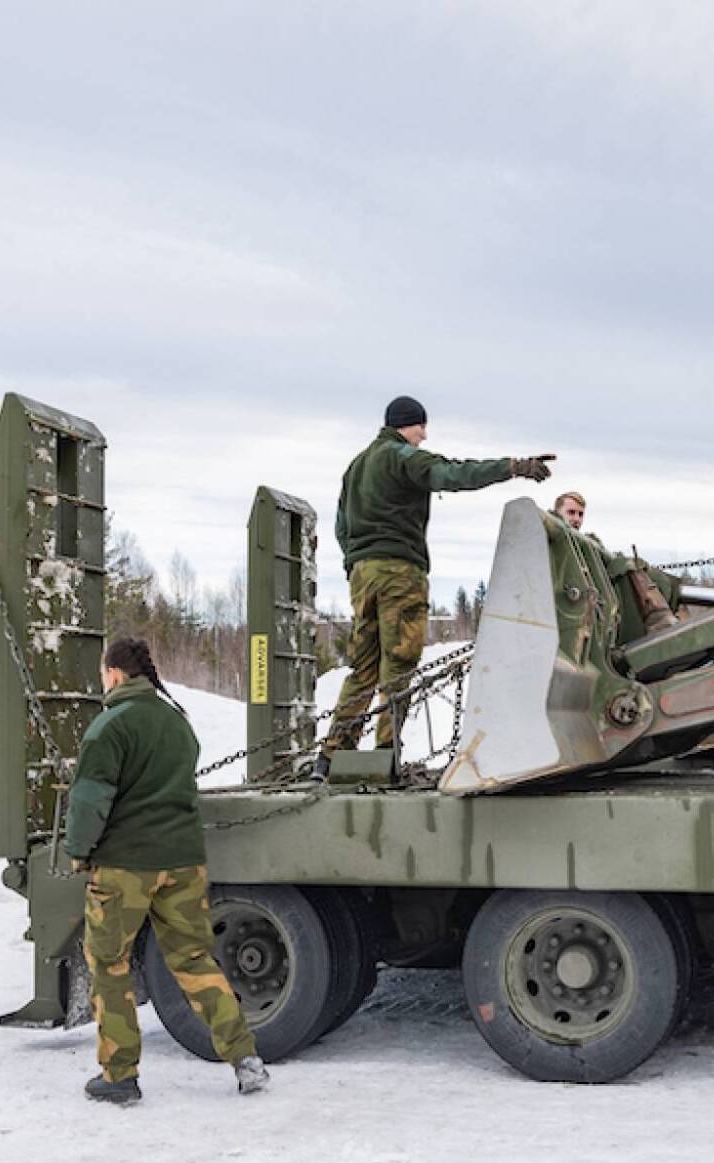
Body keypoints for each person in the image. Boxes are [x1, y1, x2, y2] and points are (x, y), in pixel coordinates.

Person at [63, 637, 269, 1104]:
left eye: (103, 673)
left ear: (114, 673)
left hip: (124, 868)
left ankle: (118, 1076)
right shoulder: (178, 724)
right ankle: (245, 1059)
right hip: (182, 863)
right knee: (195, 960)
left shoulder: (108, 727)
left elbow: (90, 801)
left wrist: (79, 851)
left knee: (110, 967)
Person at [325, 395, 554, 756]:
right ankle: (386, 752)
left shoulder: (355, 467)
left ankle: (334, 754)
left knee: (363, 667)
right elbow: (454, 474)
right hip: (400, 572)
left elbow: (341, 526)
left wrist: (355, 564)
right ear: (406, 424)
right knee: (399, 663)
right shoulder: (403, 457)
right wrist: (513, 467)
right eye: (421, 426)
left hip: (362, 575)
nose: (425, 435)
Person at [551, 489, 679, 634]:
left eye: (580, 514)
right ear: (557, 512)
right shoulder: (550, 542)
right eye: (571, 512)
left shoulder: (588, 546)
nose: (576, 519)